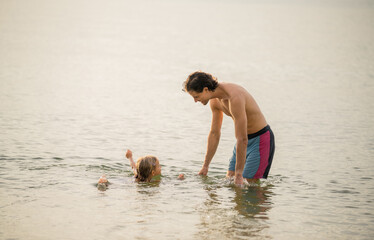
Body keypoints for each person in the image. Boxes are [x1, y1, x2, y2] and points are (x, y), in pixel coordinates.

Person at [183, 71, 275, 185]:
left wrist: (239, 174)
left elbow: (242, 139)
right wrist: (205, 166)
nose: (195, 101)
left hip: (260, 141)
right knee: (230, 180)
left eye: (196, 96)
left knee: (249, 186)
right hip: (242, 141)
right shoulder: (214, 101)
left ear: (206, 89)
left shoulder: (234, 98)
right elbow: (214, 133)